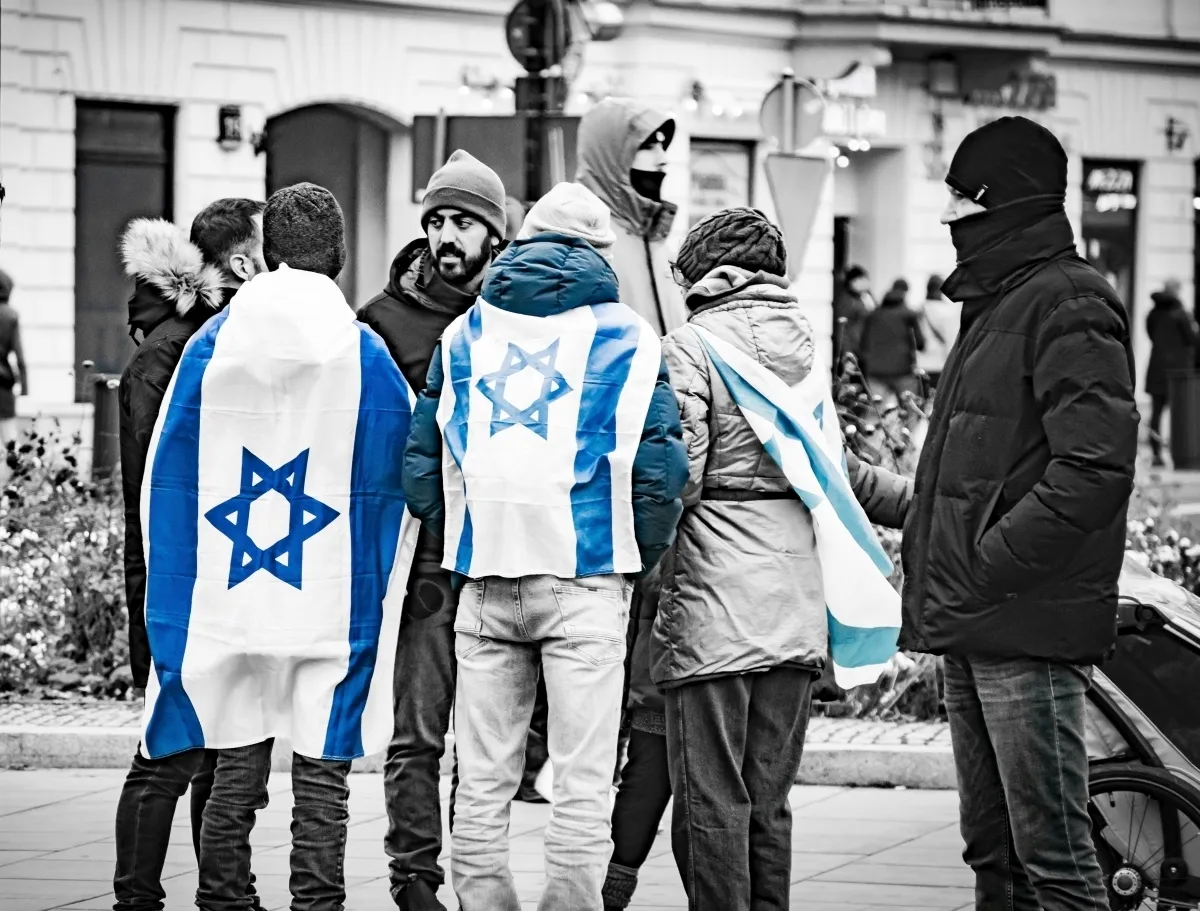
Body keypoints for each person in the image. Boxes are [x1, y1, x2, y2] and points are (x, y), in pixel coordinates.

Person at [402, 181, 687, 911]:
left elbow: (422, 462)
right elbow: (660, 471)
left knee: (483, 779)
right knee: (583, 782)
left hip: (486, 575)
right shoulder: (629, 336)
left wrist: (464, 536)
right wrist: (633, 557)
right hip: (588, 576)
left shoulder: (465, 333)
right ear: (600, 253)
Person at [143, 183, 414, 911]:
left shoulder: (212, 345)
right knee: (322, 772)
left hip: (234, 594)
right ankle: (316, 901)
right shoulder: (364, 352)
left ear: (265, 254)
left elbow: (169, 469)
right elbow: (401, 466)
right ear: (341, 252)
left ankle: (224, 896)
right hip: (328, 594)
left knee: (237, 755)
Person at [642, 207, 912, 911]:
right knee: (769, 801)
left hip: (712, 610)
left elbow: (680, 477)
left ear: (709, 278)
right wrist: (935, 500)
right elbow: (846, 476)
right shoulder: (806, 353)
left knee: (711, 808)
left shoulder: (690, 348)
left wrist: (630, 564)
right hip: (793, 612)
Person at [901, 116, 1138, 911]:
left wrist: (991, 561)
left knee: (1054, 858)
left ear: (1005, 203)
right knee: (993, 852)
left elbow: (1095, 466)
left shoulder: (1067, 299)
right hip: (979, 617)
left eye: (963, 200)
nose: (949, 218)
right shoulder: (1000, 298)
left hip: (1021, 619)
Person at [358, 148, 507, 911]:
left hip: (505, 553)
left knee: (488, 740)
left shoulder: (517, 320)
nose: (448, 235)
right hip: (423, 556)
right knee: (418, 728)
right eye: (438, 219)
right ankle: (412, 875)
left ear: (494, 233)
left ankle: (479, 870)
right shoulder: (381, 322)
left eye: (464, 221)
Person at [112, 198, 266, 911]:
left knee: (217, 749)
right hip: (181, 581)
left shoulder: (210, 337)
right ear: (241, 260)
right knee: (167, 752)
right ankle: (136, 898)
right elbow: (156, 491)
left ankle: (224, 891)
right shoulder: (173, 352)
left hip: (213, 574)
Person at [577, 97, 686, 336]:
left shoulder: (657, 241)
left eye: (662, 146)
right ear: (611, 155)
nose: (663, 159)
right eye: (648, 146)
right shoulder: (584, 241)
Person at [1145, 277, 1198, 466]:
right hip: (1179, 372)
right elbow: (1193, 339)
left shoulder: (1153, 313)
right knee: (1181, 414)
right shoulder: (1180, 313)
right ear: (1175, 291)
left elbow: (1150, 334)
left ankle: (1156, 453)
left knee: (1157, 412)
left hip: (1157, 368)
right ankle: (1180, 453)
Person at [861, 278, 926, 409]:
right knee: (910, 411)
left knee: (876, 412)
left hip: (875, 370)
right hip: (902, 370)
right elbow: (920, 343)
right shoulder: (908, 315)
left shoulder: (873, 315)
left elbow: (863, 343)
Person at [915, 273, 960, 389]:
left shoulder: (919, 309)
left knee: (924, 401)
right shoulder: (950, 311)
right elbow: (953, 337)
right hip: (942, 362)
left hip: (922, 361)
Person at [0, 268, 27, 449]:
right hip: (3, 384)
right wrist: (25, 388)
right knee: (10, 441)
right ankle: (15, 477)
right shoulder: (10, 315)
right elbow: (20, 357)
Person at [832, 264, 875, 367]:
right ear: (852, 282)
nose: (866, 282)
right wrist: (846, 353)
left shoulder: (866, 297)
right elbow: (842, 330)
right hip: (854, 349)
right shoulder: (847, 301)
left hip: (867, 348)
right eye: (862, 279)